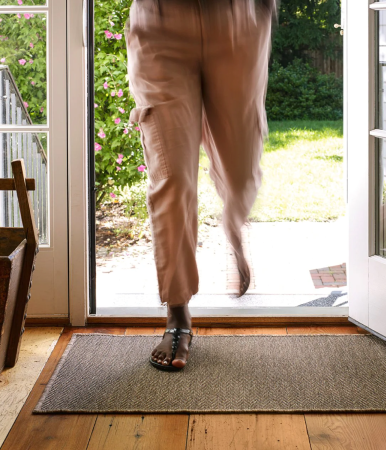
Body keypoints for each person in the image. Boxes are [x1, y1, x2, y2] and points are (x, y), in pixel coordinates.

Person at [125, 0, 277, 371]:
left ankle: (234, 221)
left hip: (237, 23)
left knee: (241, 172)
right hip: (161, 25)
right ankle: (178, 312)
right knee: (172, 179)